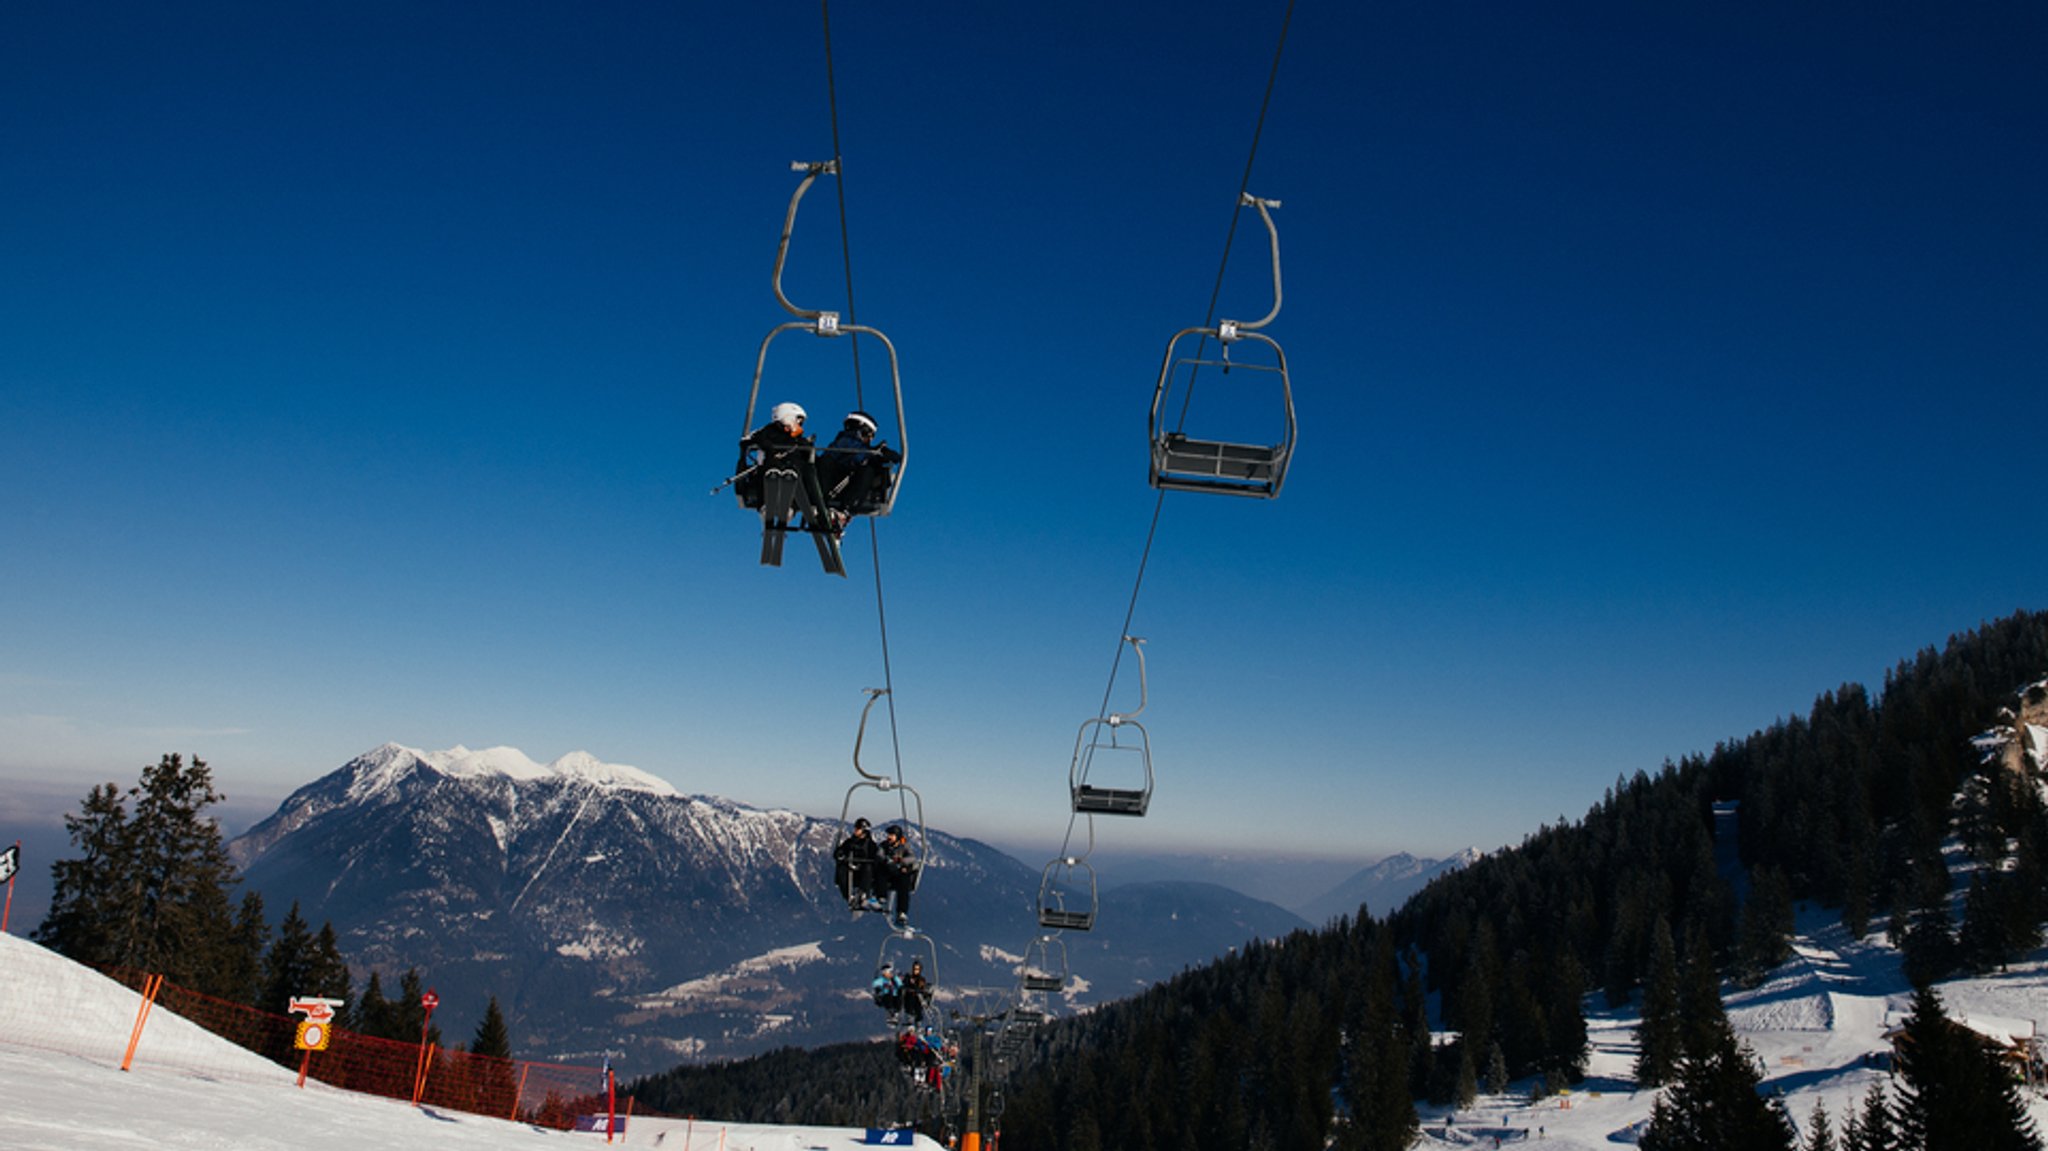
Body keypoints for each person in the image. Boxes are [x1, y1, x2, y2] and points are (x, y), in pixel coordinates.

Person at [738, 402, 837, 531]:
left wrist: (808, 448)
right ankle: (766, 505)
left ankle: (795, 507)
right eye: (798, 422)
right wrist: (765, 445)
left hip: (794, 471)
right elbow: (748, 441)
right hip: (772, 467)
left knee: (806, 471)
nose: (800, 426)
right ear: (788, 418)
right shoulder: (767, 432)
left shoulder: (798, 440)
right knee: (768, 468)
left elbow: (809, 455)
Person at [816, 410, 901, 516]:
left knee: (869, 469)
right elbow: (856, 455)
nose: (870, 439)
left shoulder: (854, 445)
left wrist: (883, 454)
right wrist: (877, 455)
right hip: (834, 484)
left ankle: (845, 510)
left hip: (843, 485)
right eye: (870, 435)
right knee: (868, 470)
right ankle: (846, 508)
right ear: (863, 430)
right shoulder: (846, 441)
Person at [833, 818, 884, 910]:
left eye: (858, 829)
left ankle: (864, 895)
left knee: (867, 867)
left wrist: (876, 859)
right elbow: (839, 852)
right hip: (851, 870)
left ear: (864, 831)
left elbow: (876, 857)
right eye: (855, 828)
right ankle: (849, 896)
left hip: (864, 873)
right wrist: (840, 855)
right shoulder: (849, 842)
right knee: (841, 868)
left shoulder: (870, 845)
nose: (855, 830)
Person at [879, 824, 917, 926]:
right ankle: (881, 897)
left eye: (891, 835)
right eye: (889, 835)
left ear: (897, 837)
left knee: (904, 884)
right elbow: (879, 855)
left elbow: (912, 858)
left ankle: (902, 912)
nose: (889, 837)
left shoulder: (904, 847)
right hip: (887, 873)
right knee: (881, 872)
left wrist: (901, 861)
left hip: (898, 874)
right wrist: (888, 861)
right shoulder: (884, 846)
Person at [899, 958, 931, 1023]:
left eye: (917, 969)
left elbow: (921, 987)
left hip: (917, 997)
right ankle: (909, 1017)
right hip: (909, 996)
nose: (916, 971)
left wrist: (919, 989)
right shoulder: (908, 977)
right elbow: (904, 984)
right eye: (914, 969)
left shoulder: (921, 979)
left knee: (918, 1007)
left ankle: (918, 1020)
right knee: (909, 1002)